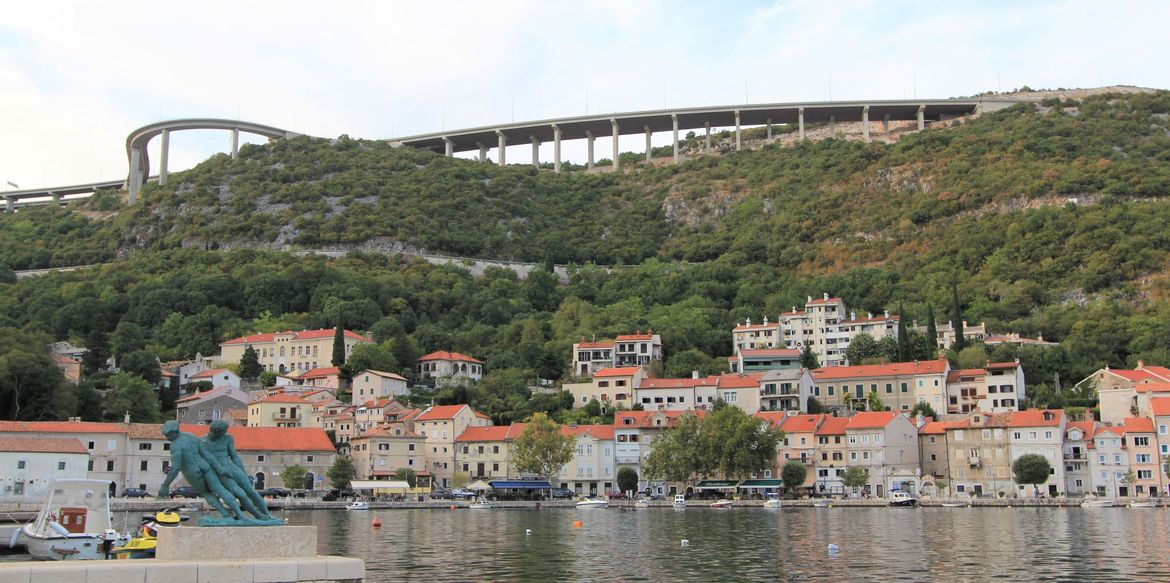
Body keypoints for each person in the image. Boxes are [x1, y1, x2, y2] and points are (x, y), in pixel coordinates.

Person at [158, 420, 242, 519]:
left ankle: (225, 513)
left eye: (167, 436)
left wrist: (165, 485)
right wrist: (219, 469)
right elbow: (206, 454)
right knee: (220, 489)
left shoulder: (175, 446)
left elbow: (176, 468)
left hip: (193, 472)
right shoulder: (191, 436)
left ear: (173, 433)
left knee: (206, 493)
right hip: (205, 466)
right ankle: (239, 514)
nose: (167, 438)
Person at [200, 419, 275, 521]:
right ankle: (257, 515)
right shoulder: (202, 442)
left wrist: (244, 473)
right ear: (217, 432)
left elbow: (234, 457)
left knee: (252, 492)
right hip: (221, 473)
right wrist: (219, 471)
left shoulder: (227, 438)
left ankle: (268, 515)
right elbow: (208, 461)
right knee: (241, 495)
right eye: (224, 431)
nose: (226, 433)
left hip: (232, 467)